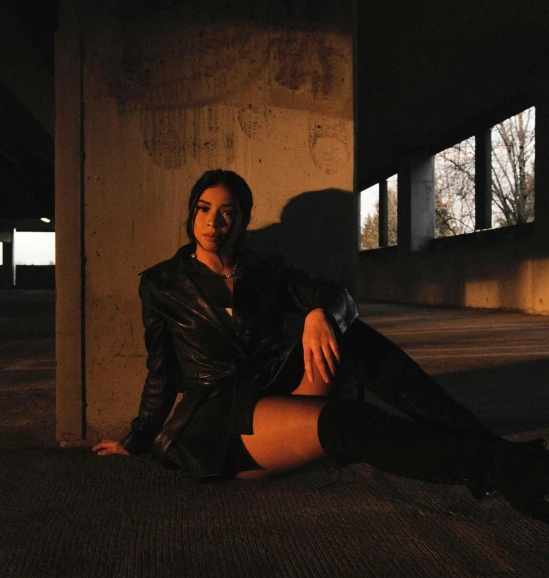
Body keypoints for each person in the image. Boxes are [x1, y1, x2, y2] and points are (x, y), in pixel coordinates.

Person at [94, 169, 549, 514]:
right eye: (204, 209)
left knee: (348, 333)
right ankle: (509, 472)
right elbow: (162, 370)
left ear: (243, 219)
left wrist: (318, 314)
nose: (215, 222)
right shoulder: (162, 283)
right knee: (348, 421)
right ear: (192, 212)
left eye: (228, 212)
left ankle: (494, 449)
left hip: (274, 385)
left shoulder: (264, 270)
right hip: (221, 418)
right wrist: (136, 438)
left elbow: (338, 298)